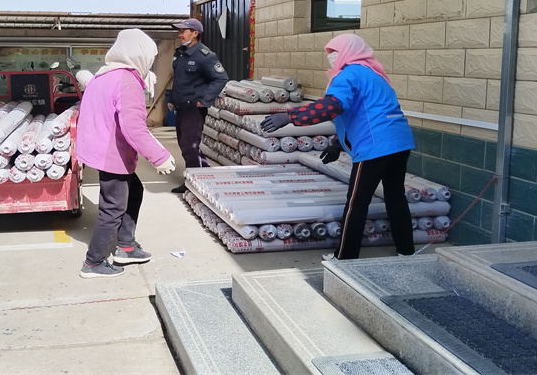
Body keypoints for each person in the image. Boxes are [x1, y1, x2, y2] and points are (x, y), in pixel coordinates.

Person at [260, 33, 415, 261]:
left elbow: (332, 106)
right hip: (400, 142)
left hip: (375, 146)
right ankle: (407, 252)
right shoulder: (374, 74)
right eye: (329, 53)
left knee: (356, 203)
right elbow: (361, 113)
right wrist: (337, 144)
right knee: (396, 197)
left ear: (349, 51)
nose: (331, 57)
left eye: (334, 52)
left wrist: (290, 116)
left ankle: (345, 258)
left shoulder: (349, 74)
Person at [76, 29, 176, 279]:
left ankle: (127, 247)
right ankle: (93, 262)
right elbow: (134, 127)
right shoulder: (127, 81)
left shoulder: (104, 75)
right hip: (112, 154)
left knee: (135, 190)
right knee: (112, 208)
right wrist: (159, 156)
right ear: (140, 55)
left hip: (101, 149)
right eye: (150, 57)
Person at [167, 18, 228, 194]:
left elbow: (221, 78)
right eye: (179, 31)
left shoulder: (205, 55)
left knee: (190, 146)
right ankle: (205, 173)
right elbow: (181, 81)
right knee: (185, 144)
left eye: (183, 31)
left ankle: (193, 184)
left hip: (193, 108)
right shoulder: (180, 53)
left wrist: (204, 99)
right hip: (181, 107)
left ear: (195, 34)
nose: (180, 34)